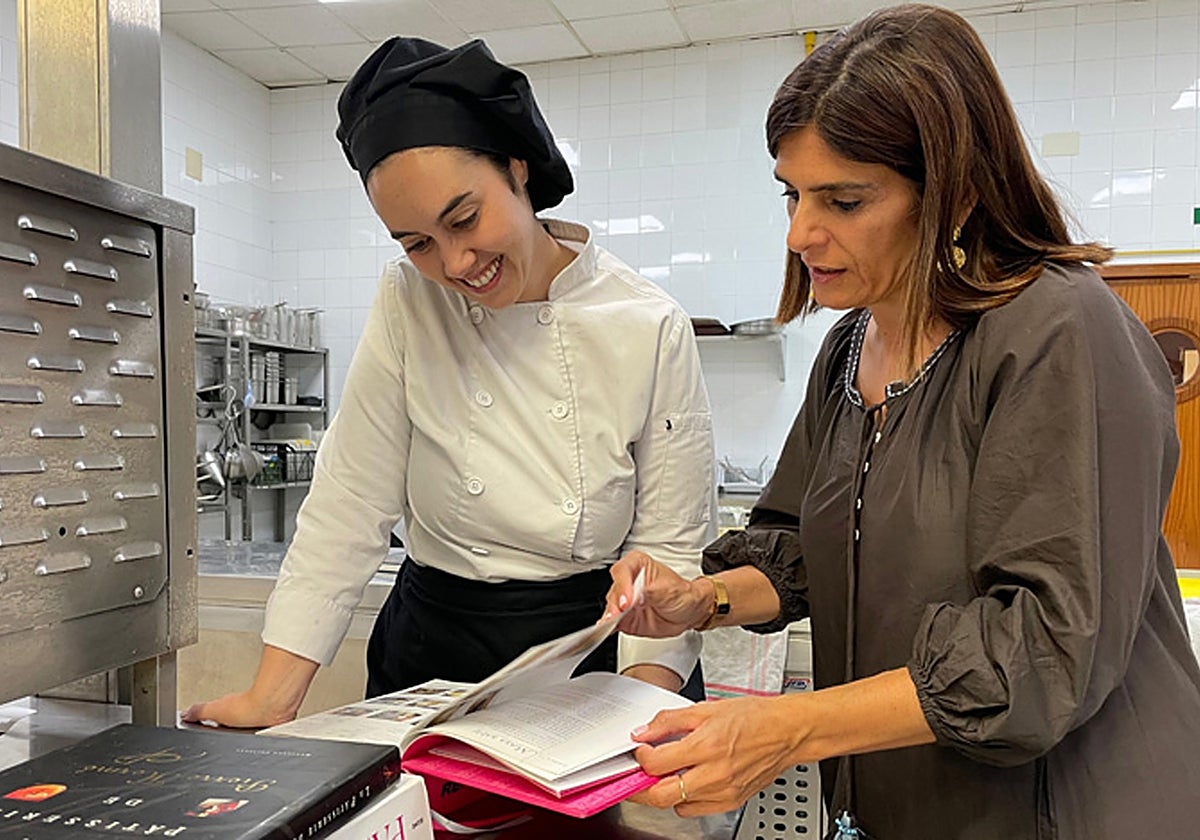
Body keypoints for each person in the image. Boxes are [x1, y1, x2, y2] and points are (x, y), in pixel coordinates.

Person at [602, 5, 1200, 838]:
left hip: (1063, 810)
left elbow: (1038, 649)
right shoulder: (851, 347)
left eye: (843, 200)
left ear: (953, 189)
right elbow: (806, 560)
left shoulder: (1058, 332)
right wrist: (698, 600)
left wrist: (786, 731)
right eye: (793, 195)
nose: (801, 232)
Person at [185, 36, 714, 729]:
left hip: (596, 655)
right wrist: (272, 696)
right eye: (417, 242)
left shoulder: (647, 324)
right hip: (434, 649)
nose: (457, 261)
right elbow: (348, 502)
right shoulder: (410, 299)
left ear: (518, 168)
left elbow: (668, 552)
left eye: (465, 218)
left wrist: (640, 714)